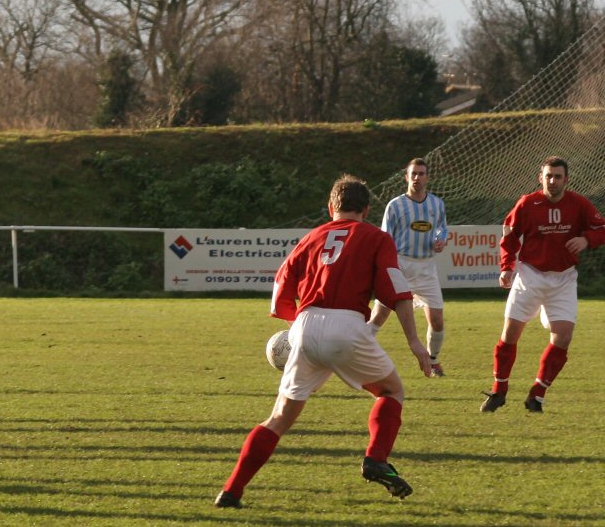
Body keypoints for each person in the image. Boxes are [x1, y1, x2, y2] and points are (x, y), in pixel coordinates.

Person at [214, 175, 431, 508]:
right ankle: (376, 459)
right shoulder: (377, 237)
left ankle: (231, 492)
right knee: (391, 391)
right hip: (346, 325)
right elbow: (397, 291)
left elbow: (281, 286)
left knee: (279, 418)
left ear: (332, 207)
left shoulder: (312, 237)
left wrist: (297, 327)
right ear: (367, 210)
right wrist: (415, 342)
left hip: (304, 324)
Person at [480, 156, 605, 414]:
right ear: (541, 178)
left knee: (563, 336)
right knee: (510, 334)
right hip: (531, 275)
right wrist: (506, 267)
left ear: (566, 180)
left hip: (564, 278)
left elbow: (602, 228)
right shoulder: (528, 203)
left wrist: (587, 239)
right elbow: (510, 236)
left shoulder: (579, 204)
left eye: (558, 176)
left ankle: (537, 395)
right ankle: (499, 390)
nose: (552, 181)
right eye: (548, 176)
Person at [368, 158, 449, 377]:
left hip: (426, 267)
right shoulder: (395, 205)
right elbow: (385, 237)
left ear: (427, 177)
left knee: (438, 319)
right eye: (413, 174)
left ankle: (433, 360)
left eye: (421, 173)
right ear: (406, 177)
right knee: (380, 314)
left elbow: (442, 229)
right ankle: (357, 351)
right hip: (401, 265)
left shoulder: (437, 204)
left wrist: (441, 240)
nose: (417, 177)